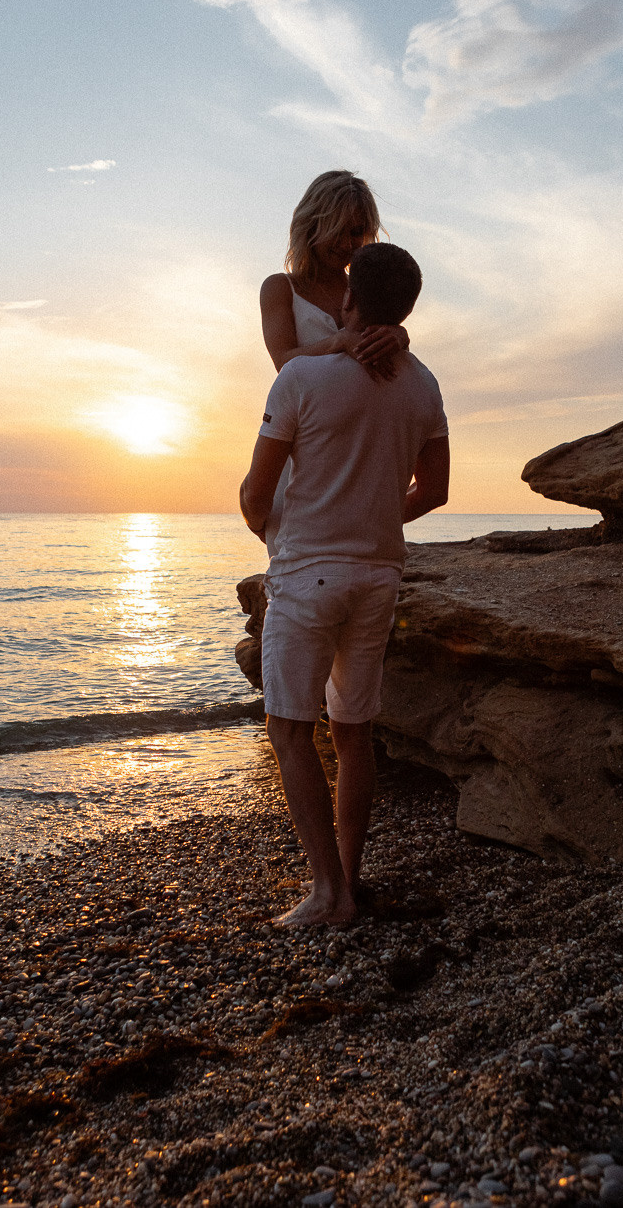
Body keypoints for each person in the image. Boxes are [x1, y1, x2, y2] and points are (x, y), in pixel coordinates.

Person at [240, 243, 450, 926]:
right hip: (379, 574)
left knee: (290, 729)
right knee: (354, 732)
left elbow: (254, 494)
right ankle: (348, 886)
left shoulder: (303, 378)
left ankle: (327, 896)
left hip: (307, 573)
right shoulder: (423, 383)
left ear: (352, 297)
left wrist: (277, 529)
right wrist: (378, 514)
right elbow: (437, 491)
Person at [259, 169, 410, 554]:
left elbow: (389, 362)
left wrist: (400, 336)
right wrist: (339, 340)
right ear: (312, 224)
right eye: (339, 230)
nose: (348, 243)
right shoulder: (281, 288)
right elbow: (284, 360)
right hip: (306, 443)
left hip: (361, 449)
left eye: (357, 232)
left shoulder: (364, 287)